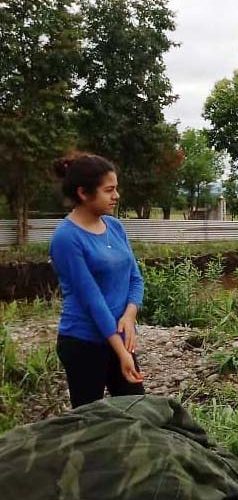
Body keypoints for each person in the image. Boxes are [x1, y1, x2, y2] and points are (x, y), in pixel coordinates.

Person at [49, 153, 145, 408]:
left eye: (116, 189)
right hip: (84, 342)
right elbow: (93, 301)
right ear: (83, 193)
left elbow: (135, 278)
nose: (117, 196)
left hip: (120, 337)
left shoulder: (115, 227)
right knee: (90, 419)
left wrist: (130, 315)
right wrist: (121, 352)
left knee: (138, 410)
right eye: (109, 190)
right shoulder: (66, 238)